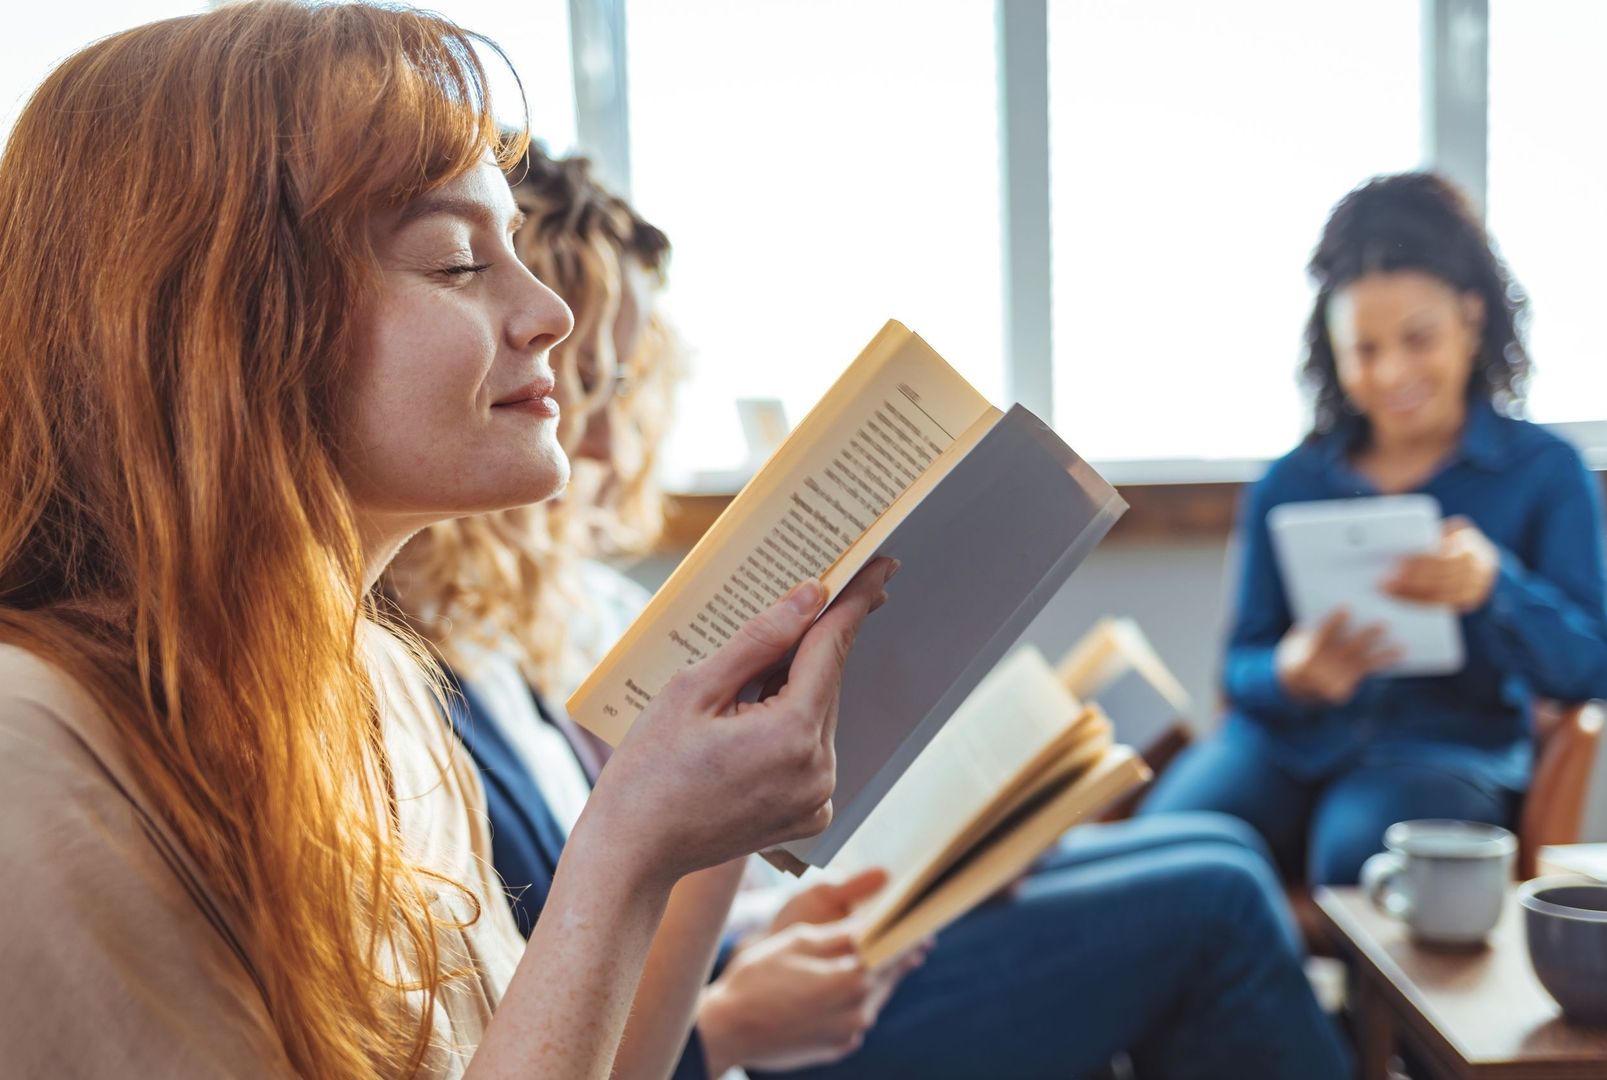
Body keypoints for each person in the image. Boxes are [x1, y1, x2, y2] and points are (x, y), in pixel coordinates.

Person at [0, 6, 893, 1078]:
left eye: (512, 249)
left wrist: (694, 840)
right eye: (454, 263)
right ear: (223, 327)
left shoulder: (379, 686)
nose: (550, 316)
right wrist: (625, 847)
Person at [391, 145, 1353, 1080]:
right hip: (723, 1008)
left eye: (615, 384)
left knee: (1219, 848)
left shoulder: (522, 640)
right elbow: (575, 958)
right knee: (1217, 899)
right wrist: (725, 1016)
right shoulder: (429, 690)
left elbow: (629, 901)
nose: (593, 434)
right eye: (579, 383)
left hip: (741, 955)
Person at [1139, 172, 1607, 888]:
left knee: (1362, 855)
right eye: (1365, 350)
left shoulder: (1546, 472)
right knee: (1163, 853)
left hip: (1445, 755)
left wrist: (1495, 588)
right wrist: (1291, 671)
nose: (1393, 371)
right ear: (1332, 350)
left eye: (1418, 338)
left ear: (1470, 318)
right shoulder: (1288, 484)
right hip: (1283, 744)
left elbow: (1597, 670)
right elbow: (1241, 666)